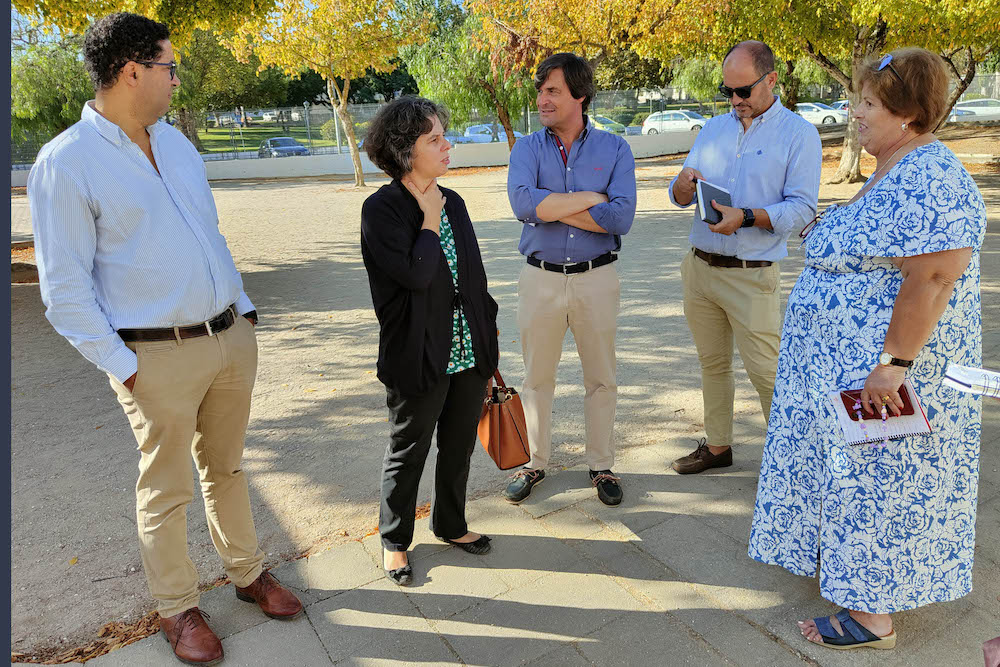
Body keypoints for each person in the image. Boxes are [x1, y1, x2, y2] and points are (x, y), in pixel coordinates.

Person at [27, 12, 302, 665]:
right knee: (167, 486)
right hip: (151, 356)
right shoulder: (65, 163)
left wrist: (244, 306)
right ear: (131, 72)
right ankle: (178, 608)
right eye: (169, 67)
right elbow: (64, 290)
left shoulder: (175, 143)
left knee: (229, 468)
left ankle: (247, 572)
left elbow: (208, 234)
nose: (177, 78)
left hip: (229, 338)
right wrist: (123, 365)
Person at [748, 47, 987, 650]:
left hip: (884, 379)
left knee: (880, 488)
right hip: (846, 374)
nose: (854, 112)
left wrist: (893, 365)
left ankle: (873, 617)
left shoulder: (933, 173)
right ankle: (856, 582)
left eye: (868, 103)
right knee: (859, 485)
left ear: (907, 113)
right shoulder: (894, 165)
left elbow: (934, 275)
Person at [362, 97, 500, 586]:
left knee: (459, 443)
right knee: (409, 449)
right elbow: (417, 276)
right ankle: (395, 541)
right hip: (418, 354)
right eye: (434, 140)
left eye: (445, 135)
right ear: (404, 151)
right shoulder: (382, 210)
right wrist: (426, 218)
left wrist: (488, 340)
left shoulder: (454, 202)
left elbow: (474, 279)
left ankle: (451, 523)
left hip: (466, 349)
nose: (448, 146)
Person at [667, 41, 822, 474]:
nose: (734, 100)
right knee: (712, 364)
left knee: (768, 375)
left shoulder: (799, 134)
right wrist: (681, 186)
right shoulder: (713, 129)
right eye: (727, 91)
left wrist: (748, 217)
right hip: (699, 268)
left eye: (743, 91)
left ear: (771, 80)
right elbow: (681, 194)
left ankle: (793, 466)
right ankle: (718, 448)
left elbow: (803, 209)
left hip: (752, 276)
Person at [504, 53, 637, 506]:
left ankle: (601, 465)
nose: (542, 98)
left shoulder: (615, 149)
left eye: (552, 90)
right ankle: (534, 462)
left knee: (601, 378)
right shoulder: (526, 149)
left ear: (580, 95)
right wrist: (588, 199)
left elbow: (621, 217)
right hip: (538, 279)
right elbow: (523, 206)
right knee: (536, 378)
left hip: (597, 279)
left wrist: (554, 206)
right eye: (541, 90)